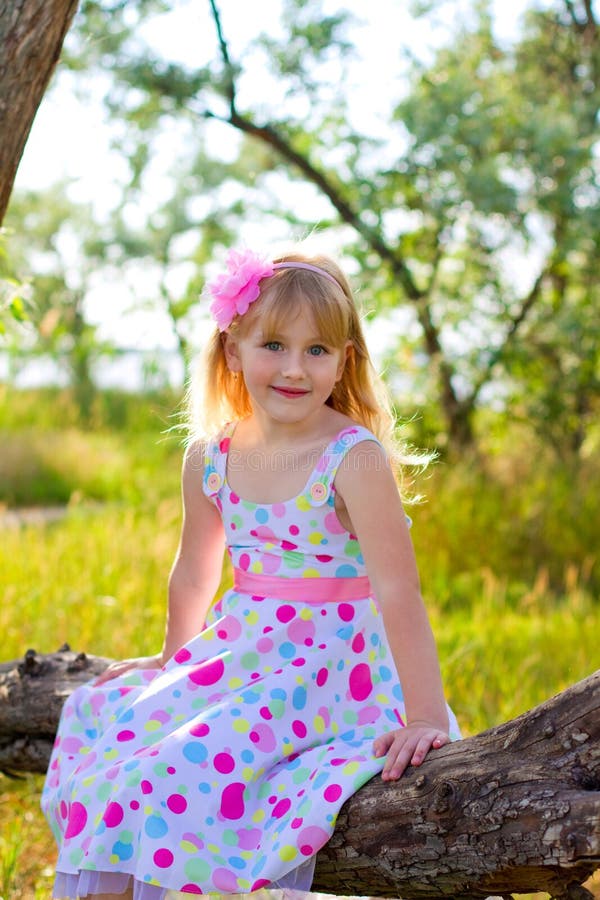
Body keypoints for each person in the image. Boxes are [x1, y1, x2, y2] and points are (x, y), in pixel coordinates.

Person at [42, 247, 460, 900]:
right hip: (246, 649)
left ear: (342, 360)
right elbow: (193, 574)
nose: (294, 368)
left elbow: (398, 592)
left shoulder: (353, 457)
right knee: (106, 734)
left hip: (331, 670)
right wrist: (172, 662)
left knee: (177, 771)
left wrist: (426, 712)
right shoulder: (212, 456)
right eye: (273, 344)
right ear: (232, 349)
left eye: (317, 351)